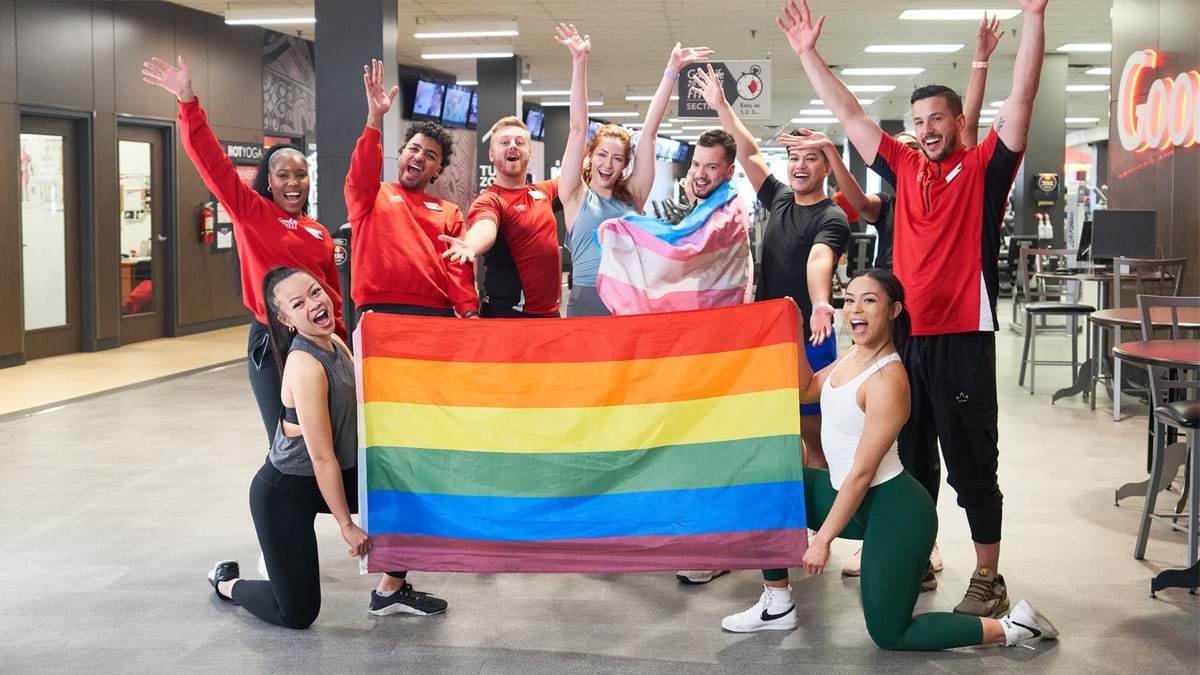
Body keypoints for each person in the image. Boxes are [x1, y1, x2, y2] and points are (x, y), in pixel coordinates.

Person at [778, 0, 1049, 616]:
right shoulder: (902, 167)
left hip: (961, 339)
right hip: (905, 343)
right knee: (912, 457)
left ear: (959, 123)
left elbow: (1024, 98)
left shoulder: (983, 171)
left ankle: (988, 575)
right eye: (918, 120)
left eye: (937, 119)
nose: (926, 129)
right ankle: (919, 552)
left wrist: (1033, 17)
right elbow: (847, 111)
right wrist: (806, 54)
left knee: (971, 458)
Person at [720, 272, 1058, 651]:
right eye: (848, 300)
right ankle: (777, 604)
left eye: (869, 300)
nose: (855, 309)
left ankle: (1013, 627)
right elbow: (807, 388)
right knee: (770, 485)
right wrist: (794, 330)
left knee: (890, 633)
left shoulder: (888, 379)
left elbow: (862, 473)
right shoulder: (853, 355)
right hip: (847, 495)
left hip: (895, 512)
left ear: (894, 310)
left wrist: (823, 540)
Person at [207, 267, 447, 628]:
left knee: (409, 496)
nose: (314, 304)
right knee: (297, 614)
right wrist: (346, 524)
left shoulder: (335, 342)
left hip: (334, 472)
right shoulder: (304, 365)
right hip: (286, 490)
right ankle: (227, 582)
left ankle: (390, 591)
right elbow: (321, 457)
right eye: (298, 303)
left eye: (316, 292)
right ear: (286, 319)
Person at [142, 55, 345, 446]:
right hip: (273, 341)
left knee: (327, 437)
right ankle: (280, 505)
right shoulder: (251, 213)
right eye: (283, 174)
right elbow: (211, 162)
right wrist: (187, 101)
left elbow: (332, 301)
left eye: (301, 175)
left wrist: (341, 344)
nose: (293, 182)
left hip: (321, 342)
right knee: (285, 440)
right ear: (269, 180)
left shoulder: (320, 233)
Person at [692, 64, 850, 472]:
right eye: (794, 158)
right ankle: (784, 524)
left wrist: (819, 303)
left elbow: (820, 259)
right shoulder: (778, 197)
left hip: (810, 337)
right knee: (774, 433)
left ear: (827, 166)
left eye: (810, 159)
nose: (799, 166)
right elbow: (749, 153)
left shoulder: (831, 217)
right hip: (768, 333)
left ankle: (819, 532)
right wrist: (723, 106)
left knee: (811, 437)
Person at [779, 13, 1003, 272]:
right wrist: (807, 54)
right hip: (900, 294)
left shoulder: (963, 172)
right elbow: (850, 114)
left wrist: (981, 61)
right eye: (906, 146)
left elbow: (970, 123)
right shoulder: (895, 194)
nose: (913, 151)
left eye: (914, 149)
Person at [554, 24, 713, 317]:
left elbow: (650, 133)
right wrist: (580, 61)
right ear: (590, 156)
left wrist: (672, 70)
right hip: (587, 301)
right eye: (602, 155)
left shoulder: (633, 197)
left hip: (631, 301)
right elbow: (578, 127)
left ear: (626, 164)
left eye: (617, 158)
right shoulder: (575, 197)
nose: (608, 164)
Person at [346, 59, 478, 321]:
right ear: (401, 154)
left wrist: (469, 310)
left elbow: (458, 265)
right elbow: (362, 171)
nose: (419, 157)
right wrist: (375, 119)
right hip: (378, 310)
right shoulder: (370, 195)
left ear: (437, 169)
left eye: (430, 155)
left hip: (436, 313)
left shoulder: (449, 213)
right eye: (414, 149)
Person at [441, 116, 562, 319]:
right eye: (504, 142)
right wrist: (471, 246)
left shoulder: (544, 191)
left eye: (519, 142)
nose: (513, 146)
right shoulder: (489, 200)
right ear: (491, 154)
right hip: (508, 317)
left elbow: (577, 172)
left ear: (529, 153)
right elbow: (485, 227)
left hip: (550, 316)